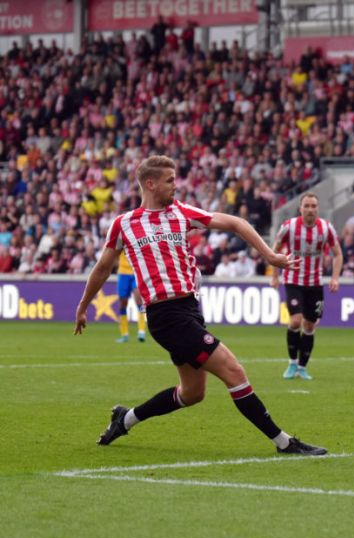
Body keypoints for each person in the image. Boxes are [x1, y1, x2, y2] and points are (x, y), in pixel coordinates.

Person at [75, 155, 326, 455]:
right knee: (234, 371)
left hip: (190, 310)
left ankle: (125, 419)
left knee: (193, 393)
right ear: (150, 183)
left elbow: (235, 222)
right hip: (166, 316)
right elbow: (103, 268)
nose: (175, 185)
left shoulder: (180, 212)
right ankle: (284, 442)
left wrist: (270, 256)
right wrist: (83, 306)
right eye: (170, 180)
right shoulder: (124, 224)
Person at [271, 192, 343, 380]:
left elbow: (338, 254)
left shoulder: (326, 229)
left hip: (315, 284)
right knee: (295, 320)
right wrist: (275, 276)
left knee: (310, 326)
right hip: (293, 280)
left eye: (313, 206)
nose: (310, 209)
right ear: (300, 208)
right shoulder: (289, 227)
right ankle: (292, 364)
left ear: (317, 208)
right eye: (307, 206)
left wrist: (335, 278)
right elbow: (275, 251)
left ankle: (302, 367)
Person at [115, 252, 147, 343]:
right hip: (123, 273)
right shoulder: (120, 239)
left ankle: (141, 332)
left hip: (135, 273)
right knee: (122, 303)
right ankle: (124, 334)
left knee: (139, 301)